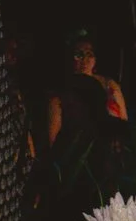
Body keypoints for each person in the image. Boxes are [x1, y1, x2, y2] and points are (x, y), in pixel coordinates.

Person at [46, 30, 128, 159]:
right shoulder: (60, 95)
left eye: (89, 54)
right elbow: (53, 141)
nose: (85, 59)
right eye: (79, 55)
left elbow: (122, 121)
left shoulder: (109, 85)